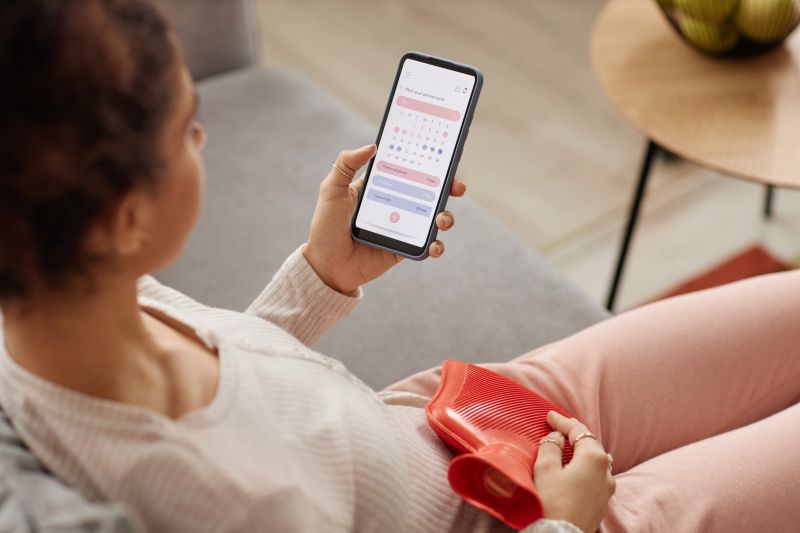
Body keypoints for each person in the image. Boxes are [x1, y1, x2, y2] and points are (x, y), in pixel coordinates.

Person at [1, 1, 797, 532]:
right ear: (125, 218)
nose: (205, 141)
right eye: (187, 130)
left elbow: (243, 394)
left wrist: (321, 274)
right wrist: (568, 521)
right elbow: (243, 455)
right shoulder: (209, 500)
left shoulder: (66, 300)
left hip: (453, 415)